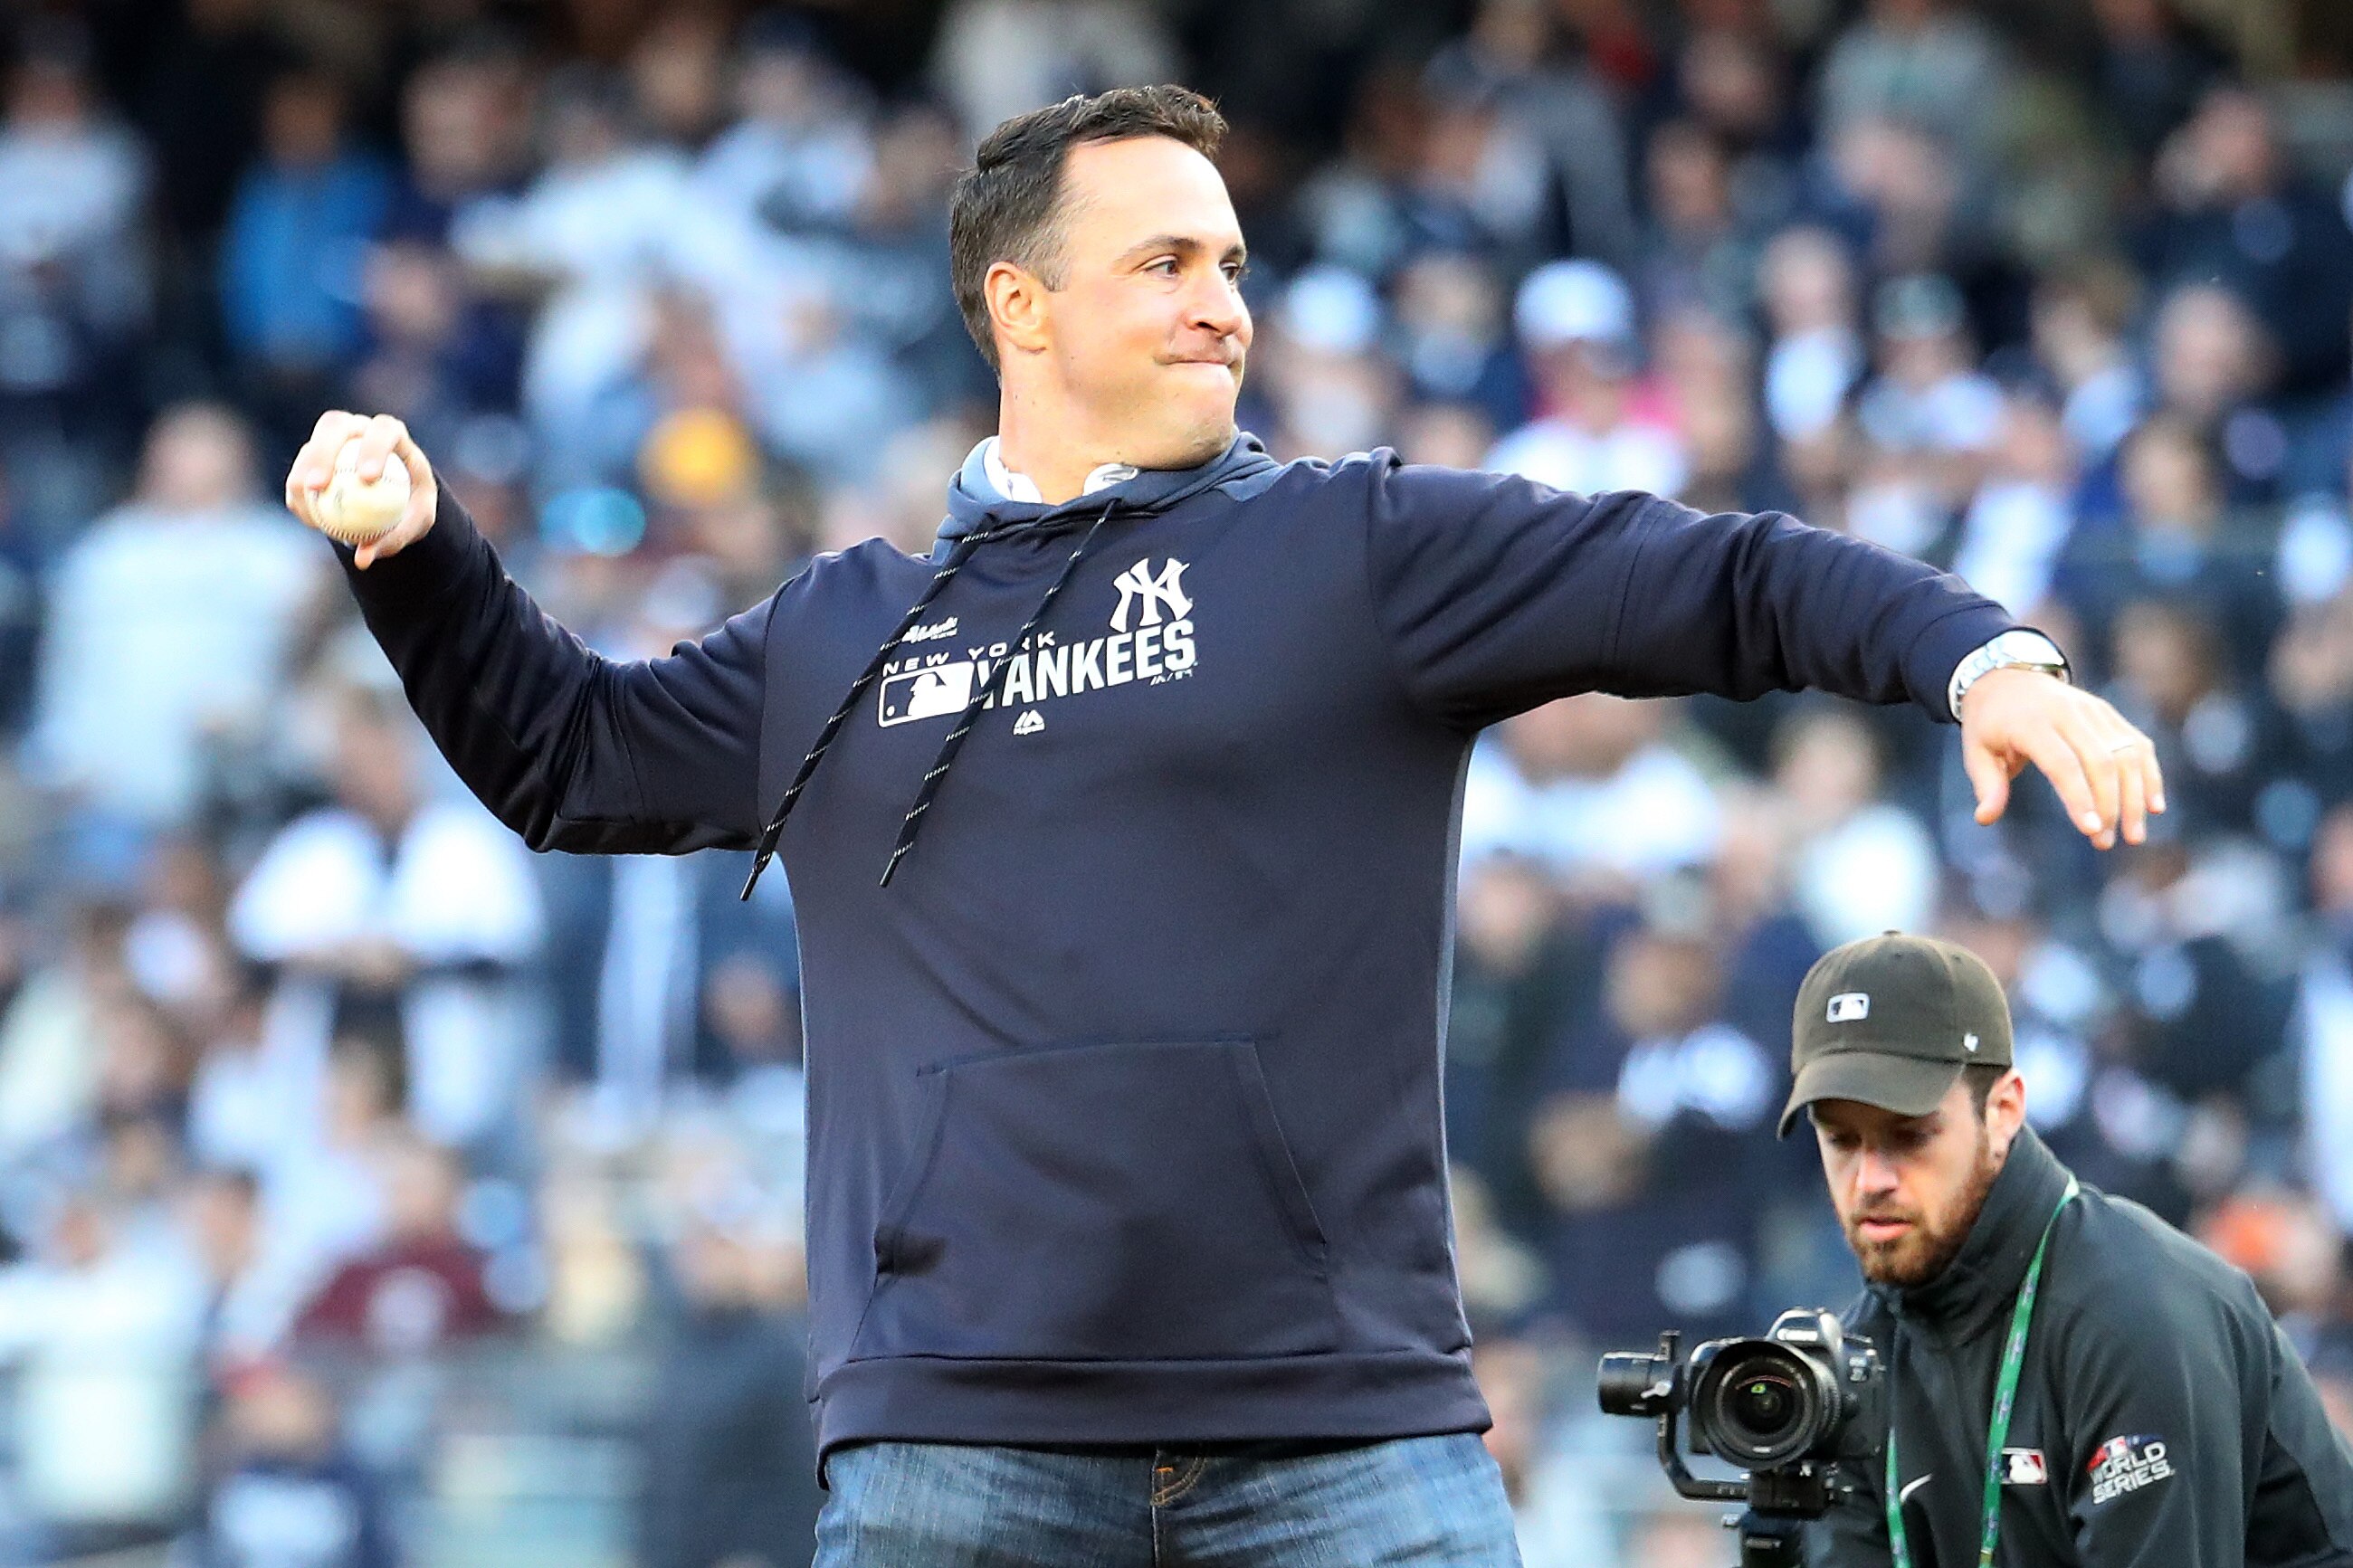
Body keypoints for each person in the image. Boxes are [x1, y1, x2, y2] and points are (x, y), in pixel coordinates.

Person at [287, 84, 2164, 1566]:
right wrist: (420, 557)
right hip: (956, 1431)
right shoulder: (841, 634)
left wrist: (1979, 655)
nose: (1224, 304)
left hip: (1342, 1428)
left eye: (1234, 263)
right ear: (1021, 307)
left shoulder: (1357, 548)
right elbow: (569, 757)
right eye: (1167, 262)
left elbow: (1718, 577)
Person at [1788, 932, 2353, 1566]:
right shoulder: (1863, 1353)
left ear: (2003, 1111)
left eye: (1910, 1135)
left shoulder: (2133, 1314)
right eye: (1841, 1140)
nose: (1870, 1180)